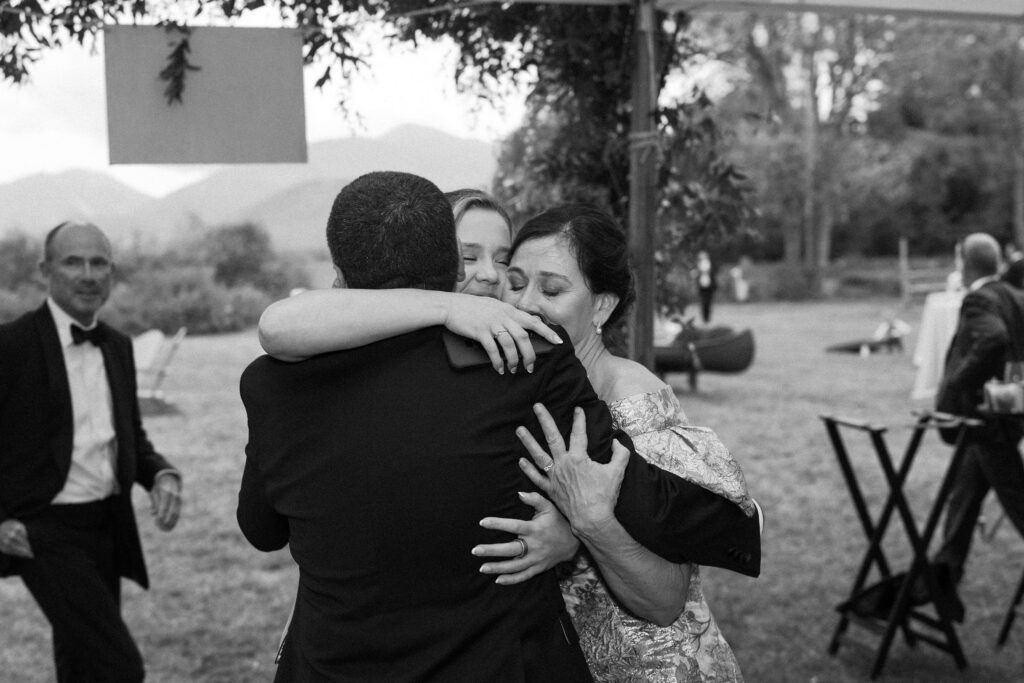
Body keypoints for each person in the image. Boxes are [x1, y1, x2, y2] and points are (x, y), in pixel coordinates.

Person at [239, 173, 760, 682]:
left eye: (503, 263)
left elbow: (263, 529)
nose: (492, 280)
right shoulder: (529, 365)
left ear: (339, 275)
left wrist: (581, 530)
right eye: (471, 259)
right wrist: (735, 528)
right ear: (445, 266)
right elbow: (642, 496)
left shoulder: (272, 384)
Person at [0, 221, 183, 683]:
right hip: (43, 531)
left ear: (112, 273)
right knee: (118, 666)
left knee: (81, 665)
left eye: (99, 262)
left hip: (107, 525)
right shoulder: (10, 346)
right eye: (73, 261)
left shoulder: (118, 347)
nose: (87, 274)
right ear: (45, 270)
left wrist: (160, 473)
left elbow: (131, 438)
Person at [933, 232, 1024, 620]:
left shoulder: (979, 298)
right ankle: (942, 581)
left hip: (988, 423)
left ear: (964, 262)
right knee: (963, 496)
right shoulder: (1014, 296)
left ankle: (941, 580)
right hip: (1006, 416)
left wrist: (957, 383)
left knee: (1018, 502)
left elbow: (994, 339)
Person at [692, 250, 717, 324]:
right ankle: (704, 318)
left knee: (708, 303)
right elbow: (695, 276)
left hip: (709, 287)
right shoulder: (698, 266)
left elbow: (713, 276)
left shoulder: (710, 265)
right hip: (702, 287)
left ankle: (707, 318)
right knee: (703, 303)